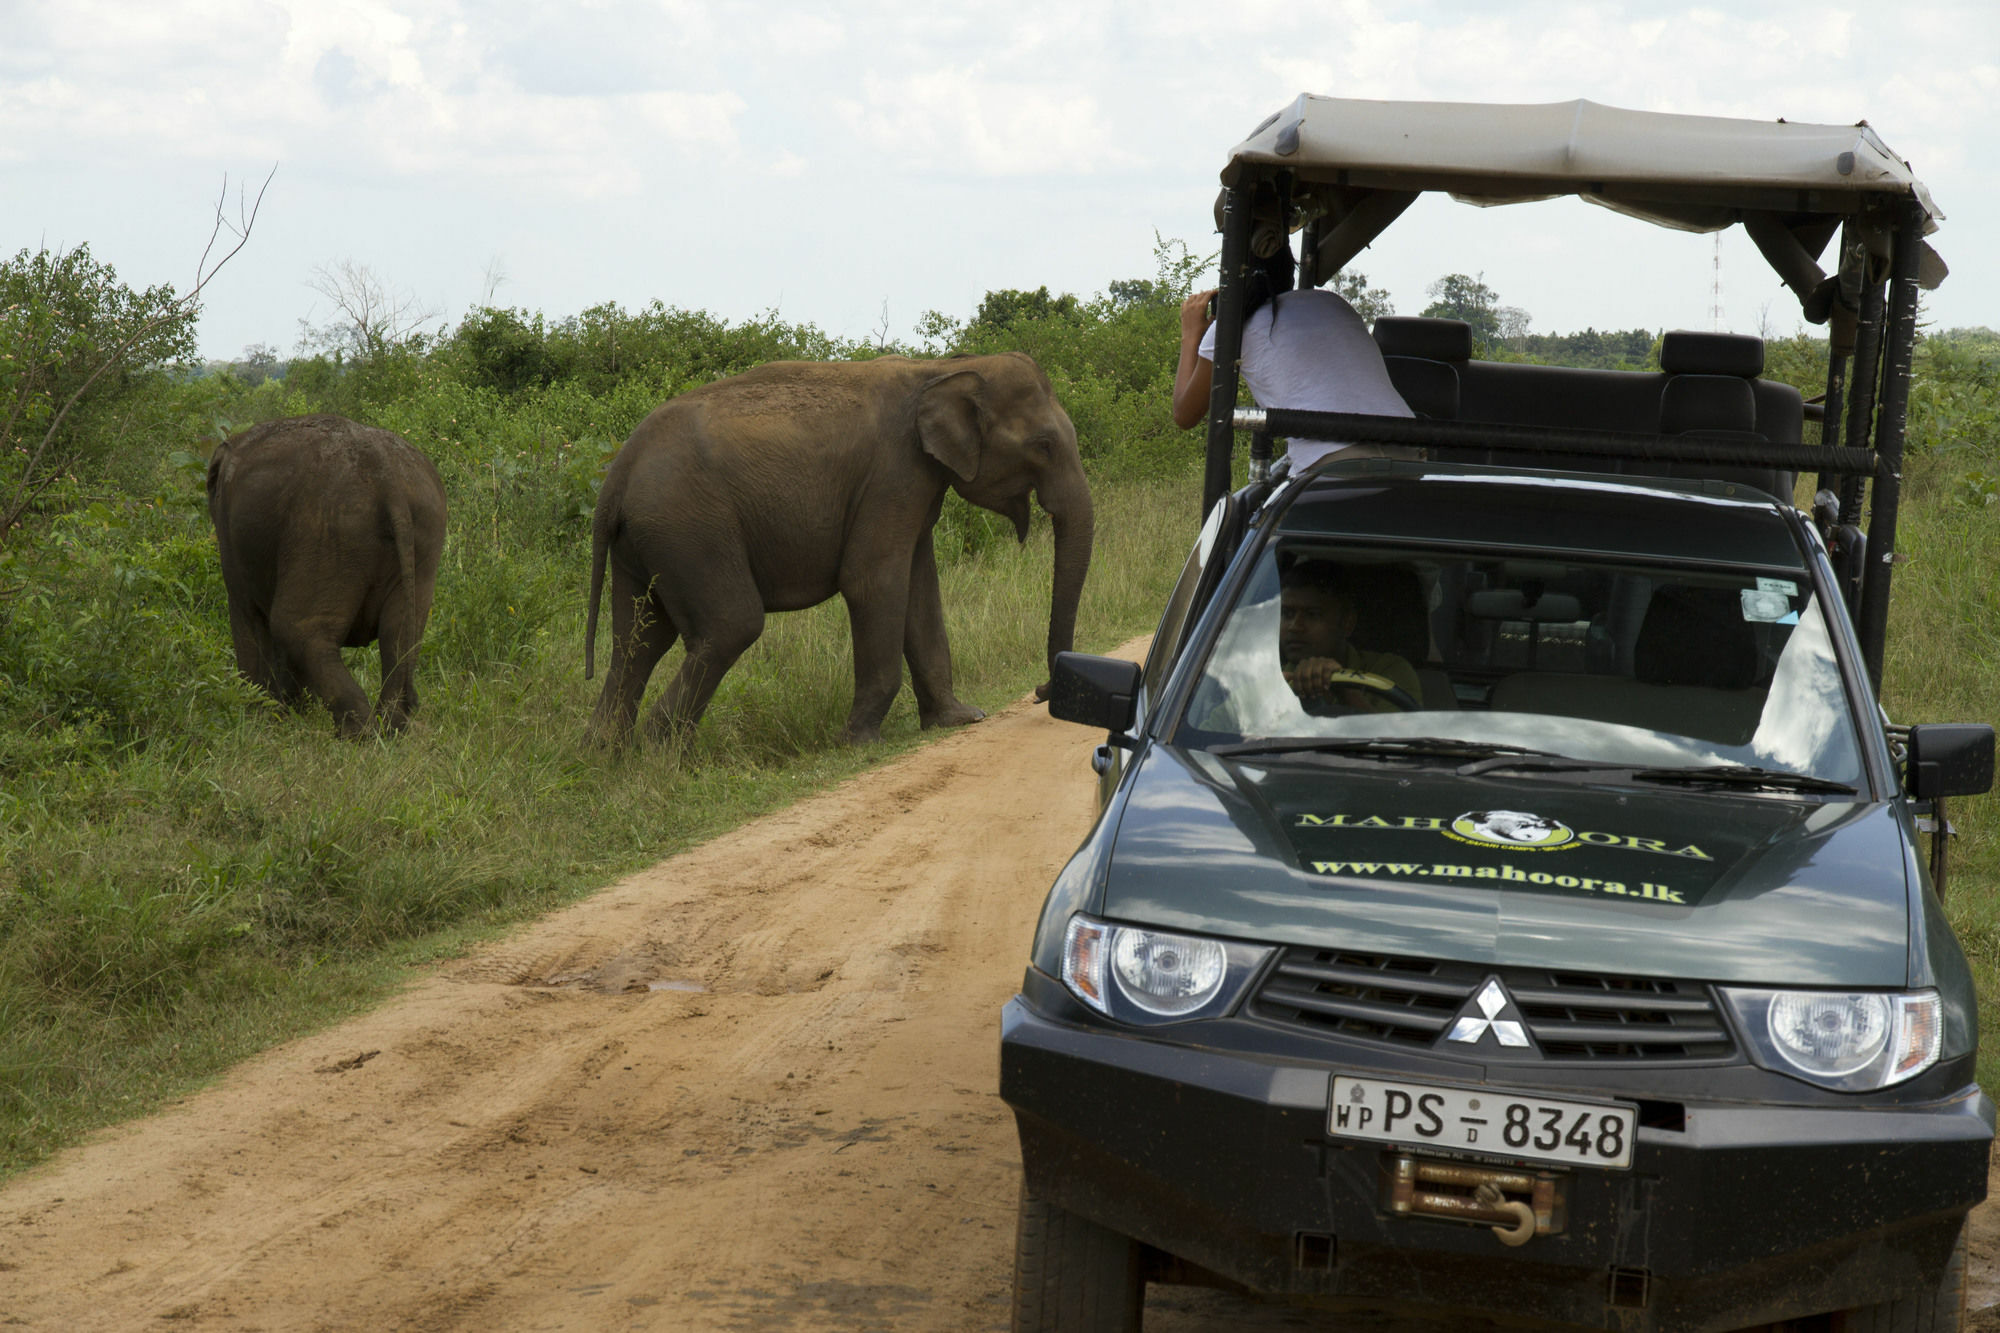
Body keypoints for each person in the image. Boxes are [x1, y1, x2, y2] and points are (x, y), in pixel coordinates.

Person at [1171, 243, 1416, 471]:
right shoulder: (1331, 302)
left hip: (1333, 461)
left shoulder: (1233, 325)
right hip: (1409, 448)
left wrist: (1191, 335)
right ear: (1290, 272)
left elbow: (1185, 414)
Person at [1279, 559, 1421, 714]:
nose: (1295, 626)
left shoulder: (1391, 670)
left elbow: (1400, 736)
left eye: (1312, 615)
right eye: (1287, 614)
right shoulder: (1267, 676)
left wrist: (1344, 687)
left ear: (1347, 623)